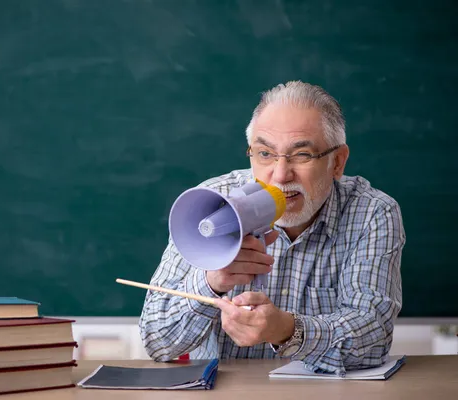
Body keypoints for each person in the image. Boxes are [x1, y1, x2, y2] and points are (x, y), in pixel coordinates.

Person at [138, 81, 405, 376]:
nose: (280, 175)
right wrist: (210, 282)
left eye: (301, 155)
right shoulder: (209, 204)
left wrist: (287, 330)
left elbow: (374, 338)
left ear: (337, 162)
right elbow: (157, 342)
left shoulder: (371, 213)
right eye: (265, 154)